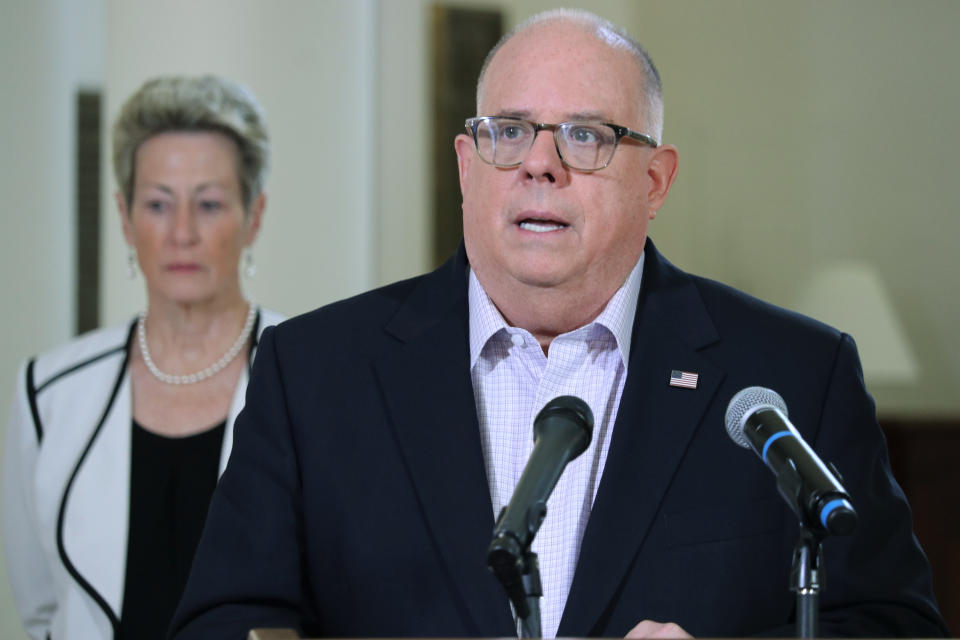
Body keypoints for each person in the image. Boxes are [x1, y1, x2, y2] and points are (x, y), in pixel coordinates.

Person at [171, 10, 947, 639]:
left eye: (587, 135)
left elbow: (890, 623)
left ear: (656, 179)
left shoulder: (793, 377)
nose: (540, 165)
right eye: (508, 131)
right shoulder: (313, 372)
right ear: (467, 165)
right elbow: (226, 618)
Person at [2, 75, 285, 640]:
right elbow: (42, 612)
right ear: (125, 217)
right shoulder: (50, 392)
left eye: (208, 203)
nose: (181, 232)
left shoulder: (313, 380)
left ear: (253, 216)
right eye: (157, 204)